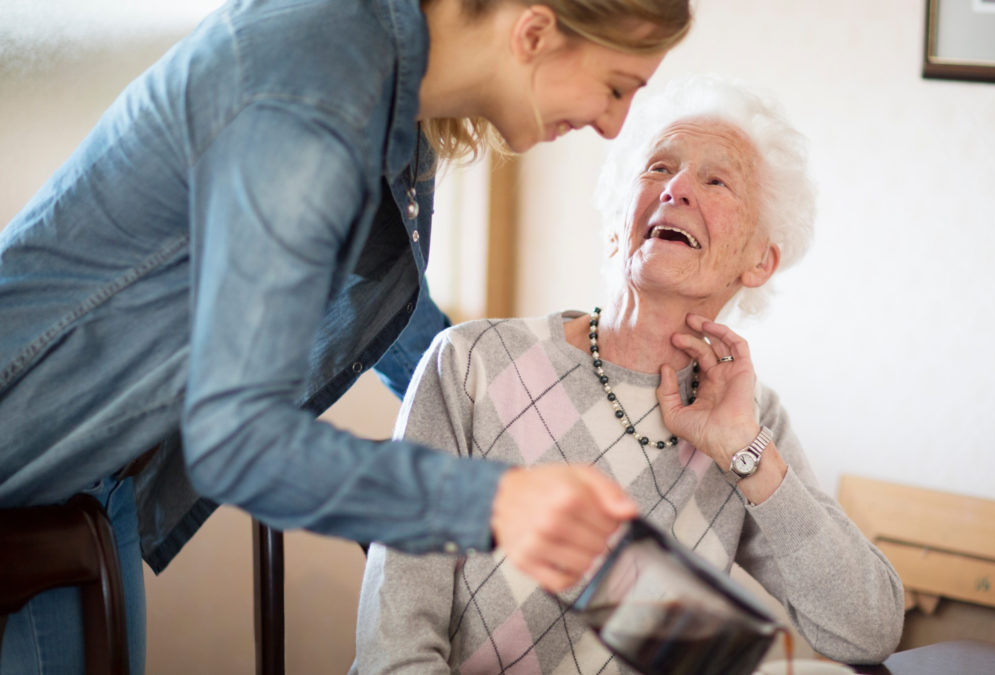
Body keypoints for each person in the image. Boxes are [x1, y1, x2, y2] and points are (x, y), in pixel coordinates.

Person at [0, 0, 693, 672]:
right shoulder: (315, 94)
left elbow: (394, 320)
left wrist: (528, 452)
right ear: (535, 32)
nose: (615, 125)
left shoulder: (388, 109)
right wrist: (494, 500)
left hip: (99, 480)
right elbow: (234, 438)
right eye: (616, 87)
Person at [352, 75, 906, 674]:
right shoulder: (471, 362)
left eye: (716, 179)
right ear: (618, 223)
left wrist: (748, 453)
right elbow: (394, 649)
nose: (677, 189)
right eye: (658, 168)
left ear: (759, 260)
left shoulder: (749, 421)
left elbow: (868, 630)